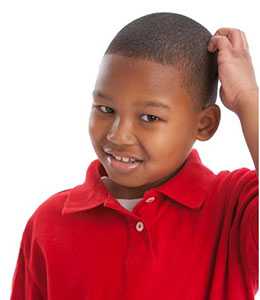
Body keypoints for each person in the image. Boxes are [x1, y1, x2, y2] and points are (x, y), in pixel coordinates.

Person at [10, 12, 258, 300]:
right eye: (105, 109)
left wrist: (247, 98)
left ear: (204, 124)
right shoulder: (48, 222)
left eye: (149, 117)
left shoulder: (233, 208)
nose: (118, 135)